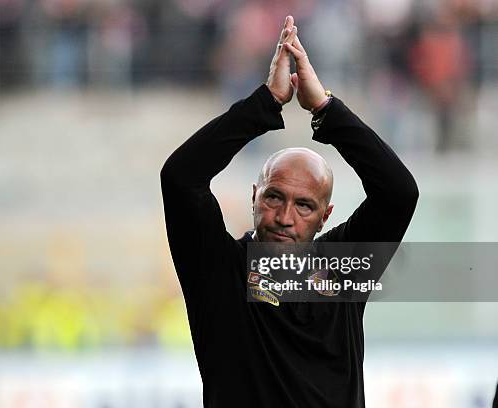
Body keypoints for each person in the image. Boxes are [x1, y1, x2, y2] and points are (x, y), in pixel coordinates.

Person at [160, 15, 418, 407]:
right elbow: (180, 178)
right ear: (254, 197)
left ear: (325, 215)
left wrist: (326, 109)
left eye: (304, 206)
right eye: (274, 197)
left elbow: (399, 193)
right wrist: (265, 103)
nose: (284, 217)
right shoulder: (217, 268)